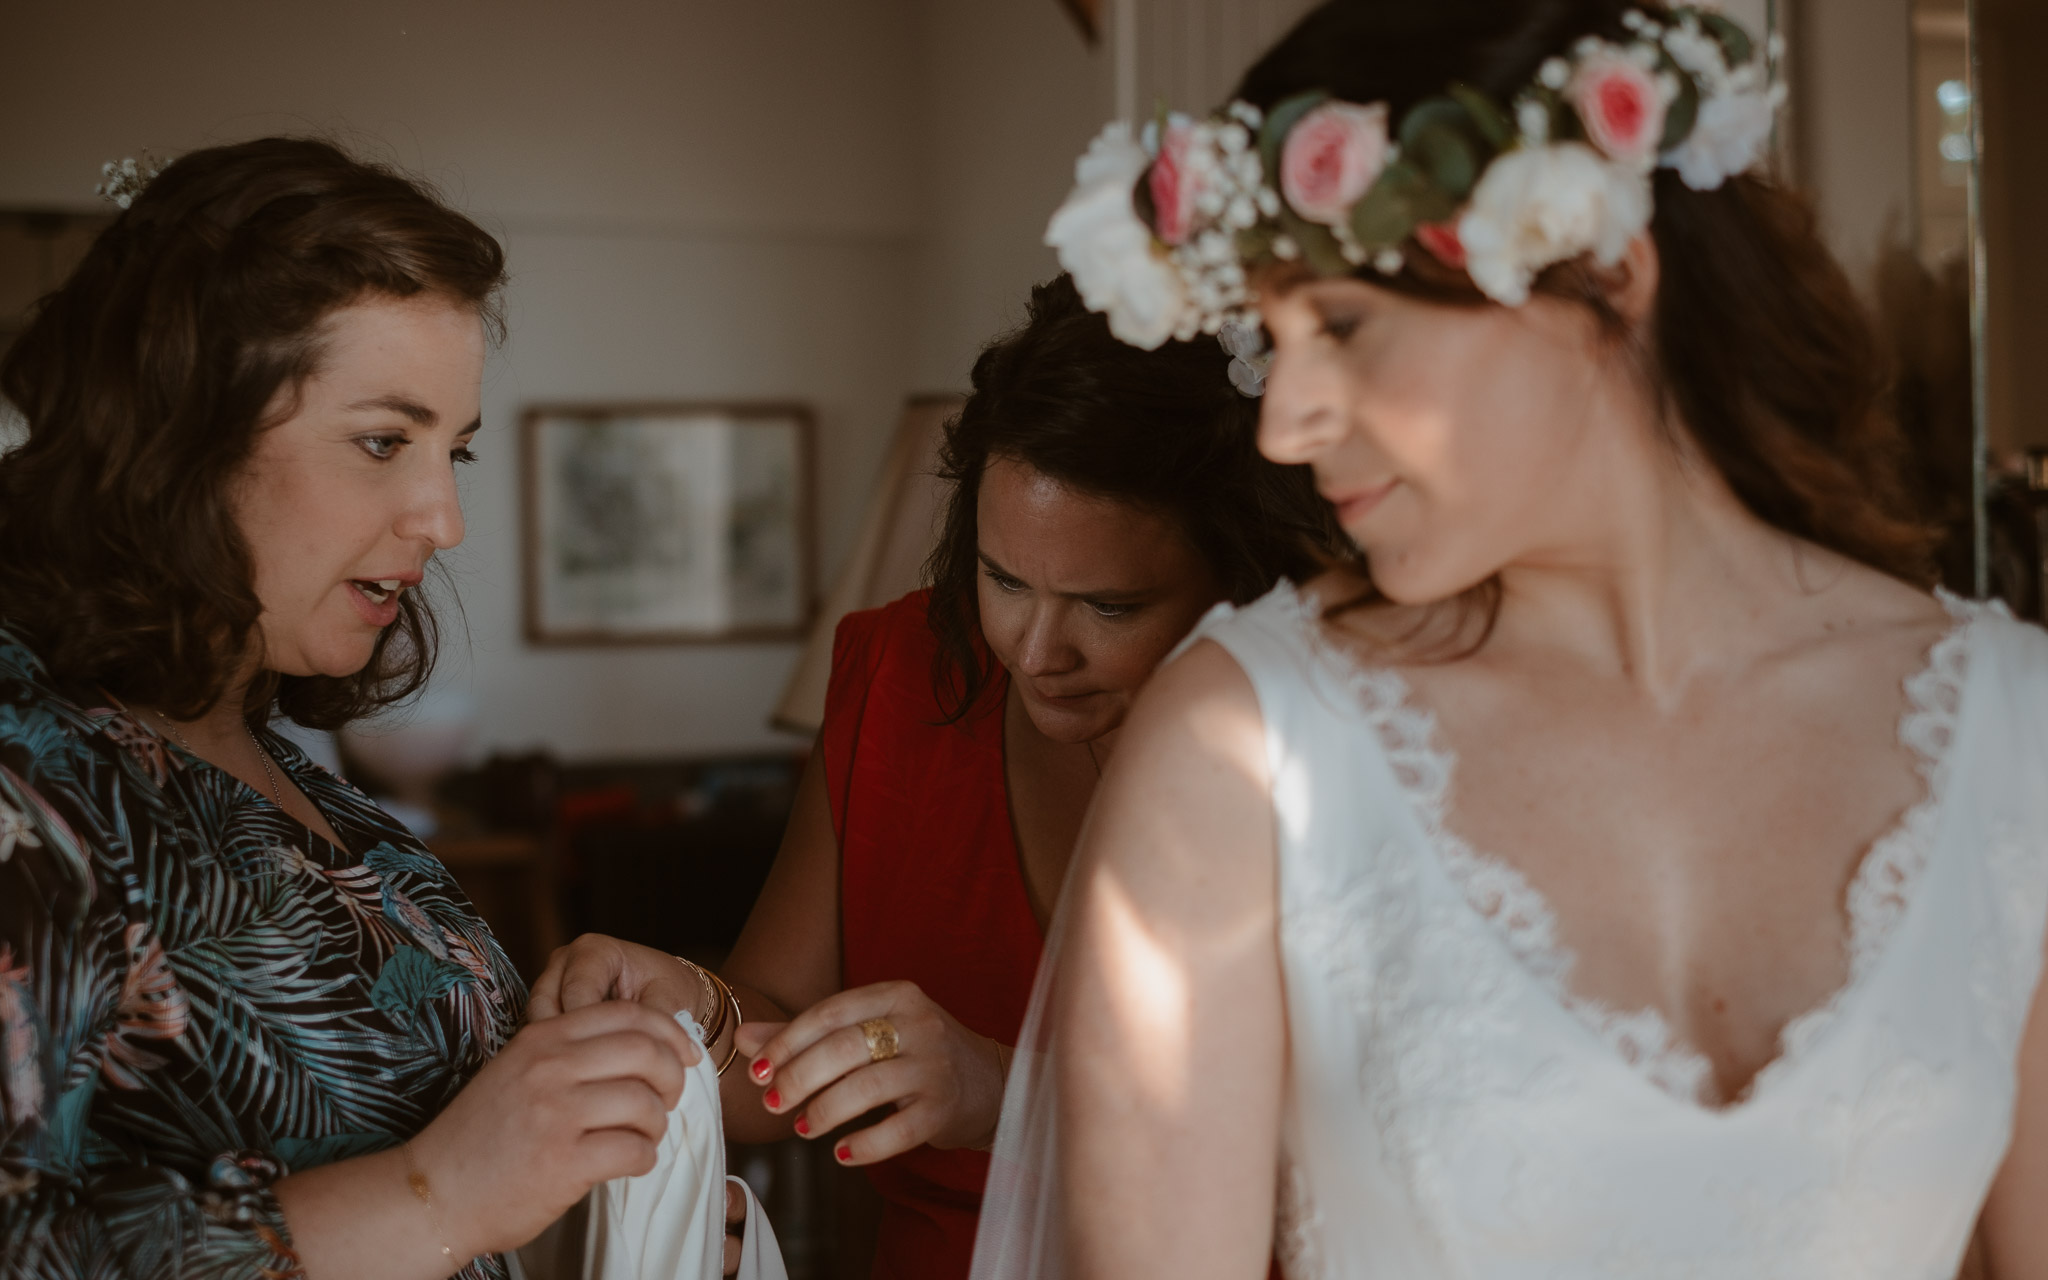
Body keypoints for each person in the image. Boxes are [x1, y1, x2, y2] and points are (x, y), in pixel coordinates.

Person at [971, 1, 2048, 1276]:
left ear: (1600, 274)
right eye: (1278, 338)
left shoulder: (2010, 731)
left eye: (1346, 325)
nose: (1285, 422)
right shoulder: (1245, 754)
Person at [531, 274, 1345, 1280]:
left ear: (1241, 576)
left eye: (1108, 605)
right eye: (1002, 580)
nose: (1034, 649)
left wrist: (1000, 1088)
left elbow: (1370, 1147)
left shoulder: (1338, 734)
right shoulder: (902, 675)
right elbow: (775, 1050)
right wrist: (692, 1010)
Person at [0, 138, 702, 1280]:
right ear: (180, 435)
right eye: (384, 441)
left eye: (453, 451)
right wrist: (438, 1192)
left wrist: (596, 1218)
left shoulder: (321, 795)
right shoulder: (30, 789)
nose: (442, 518)